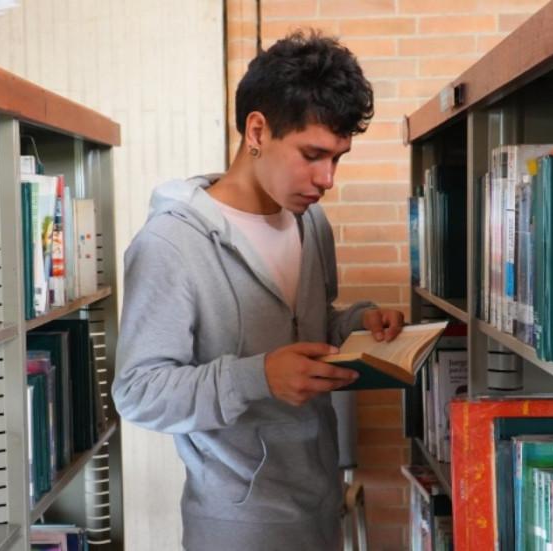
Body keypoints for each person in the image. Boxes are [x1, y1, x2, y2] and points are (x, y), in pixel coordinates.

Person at [112, 30, 405, 550]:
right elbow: (137, 393)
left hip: (321, 505)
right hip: (236, 526)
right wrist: (257, 377)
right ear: (257, 130)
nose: (327, 178)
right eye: (313, 154)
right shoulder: (169, 244)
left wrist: (356, 323)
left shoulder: (311, 224)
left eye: (338, 157)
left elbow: (309, 325)